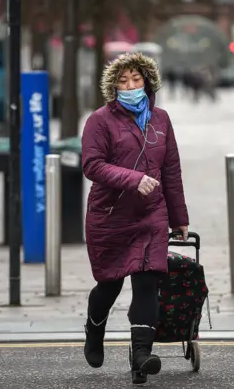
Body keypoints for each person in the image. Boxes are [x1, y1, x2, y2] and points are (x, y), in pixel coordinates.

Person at [81, 52, 189, 385]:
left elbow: (170, 169)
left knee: (147, 283)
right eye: (123, 81)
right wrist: (133, 179)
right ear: (113, 87)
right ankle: (94, 328)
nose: (130, 86)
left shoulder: (162, 119)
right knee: (110, 284)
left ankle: (142, 354)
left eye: (136, 79)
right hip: (111, 215)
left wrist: (178, 218)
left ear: (147, 82)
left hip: (150, 214)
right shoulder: (99, 120)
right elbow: (92, 165)